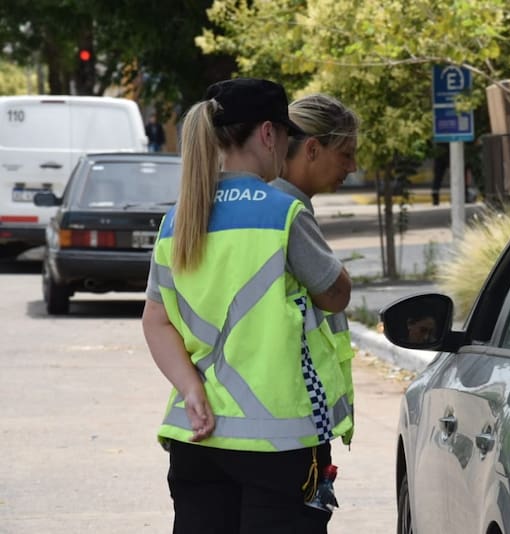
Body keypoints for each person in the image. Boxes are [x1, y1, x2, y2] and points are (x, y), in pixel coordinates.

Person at [141, 77, 353, 533]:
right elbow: (335, 294)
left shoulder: (179, 218)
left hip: (196, 438)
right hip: (280, 446)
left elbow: (156, 321)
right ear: (269, 133)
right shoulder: (281, 212)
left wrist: (191, 388)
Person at [269, 92, 361, 519]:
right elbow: (334, 292)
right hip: (292, 420)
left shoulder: (261, 202)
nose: (352, 167)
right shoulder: (286, 209)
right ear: (311, 148)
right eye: (345, 154)